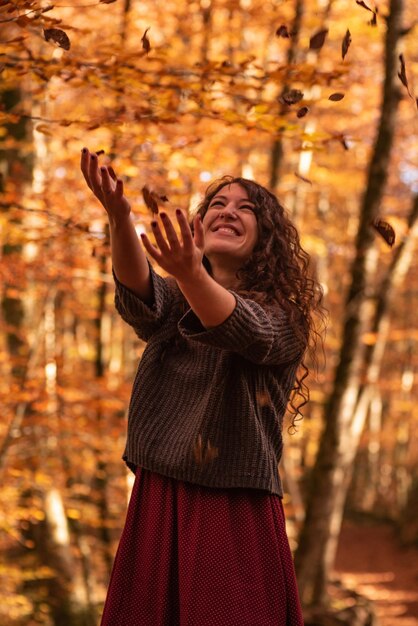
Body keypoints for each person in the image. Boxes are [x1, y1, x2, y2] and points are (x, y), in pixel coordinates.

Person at [80, 147, 323, 626]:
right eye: (217, 204)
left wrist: (191, 273)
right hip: (159, 495)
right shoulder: (178, 298)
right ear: (198, 227)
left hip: (233, 506)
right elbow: (139, 292)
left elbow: (241, 327)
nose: (228, 210)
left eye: (245, 208)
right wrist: (119, 216)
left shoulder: (285, 318)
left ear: (266, 240)